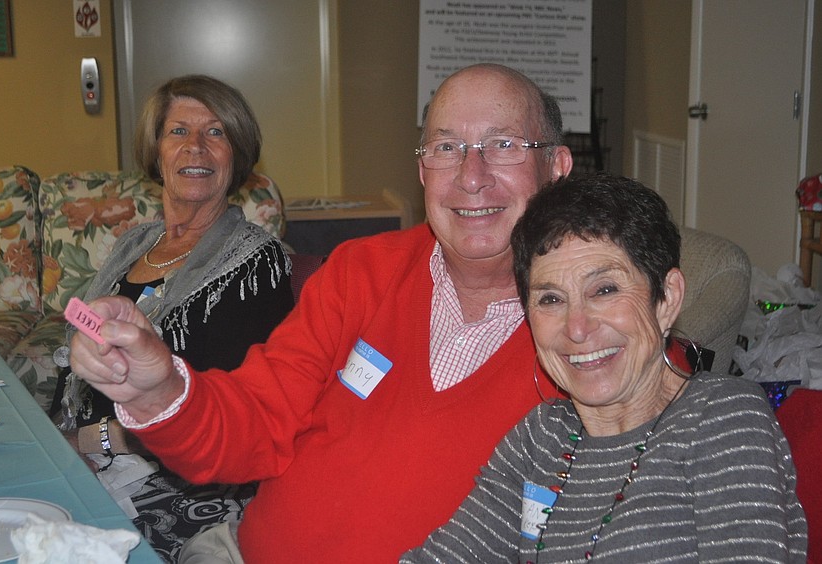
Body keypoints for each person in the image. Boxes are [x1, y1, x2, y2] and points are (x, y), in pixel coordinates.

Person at [67, 63, 574, 563]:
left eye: (503, 145)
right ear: (422, 170)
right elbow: (254, 420)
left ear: (556, 167)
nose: (471, 176)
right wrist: (159, 390)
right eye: (446, 148)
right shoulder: (362, 272)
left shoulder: (594, 328)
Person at [401, 173, 808, 563]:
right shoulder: (540, 440)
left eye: (605, 290)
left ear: (666, 298)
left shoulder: (723, 420)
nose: (577, 328)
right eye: (550, 299)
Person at [52, 74, 295, 562]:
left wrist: (88, 439)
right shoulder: (133, 244)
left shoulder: (257, 263)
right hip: (86, 454)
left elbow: (230, 406)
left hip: (180, 484)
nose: (197, 148)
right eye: (178, 132)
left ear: (237, 154)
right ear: (157, 153)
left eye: (216, 132)